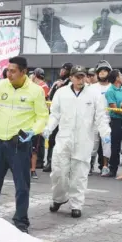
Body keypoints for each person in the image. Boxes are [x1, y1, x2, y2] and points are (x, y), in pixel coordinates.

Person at [0, 56, 48, 233]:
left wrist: (34, 130)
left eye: (13, 71)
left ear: (24, 72)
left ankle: (21, 221)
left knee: (22, 185)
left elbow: (42, 116)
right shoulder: (0, 86)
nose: (9, 74)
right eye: (8, 70)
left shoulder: (35, 91)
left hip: (19, 144)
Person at [42, 66, 111, 218]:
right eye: (77, 77)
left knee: (79, 174)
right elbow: (55, 114)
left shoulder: (94, 94)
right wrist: (48, 128)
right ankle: (59, 198)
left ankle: (76, 204)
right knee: (59, 171)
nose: (81, 80)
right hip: (64, 138)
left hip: (83, 140)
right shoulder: (61, 93)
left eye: (83, 76)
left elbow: (101, 116)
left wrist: (105, 132)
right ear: (71, 77)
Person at [43, 63, 73, 173]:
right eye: (62, 69)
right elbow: (50, 96)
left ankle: (64, 164)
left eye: (64, 69)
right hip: (55, 114)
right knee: (52, 139)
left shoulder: (71, 84)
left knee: (65, 140)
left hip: (66, 116)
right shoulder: (57, 83)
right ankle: (50, 161)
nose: (62, 71)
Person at [104, 69, 122, 178]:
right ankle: (113, 169)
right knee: (115, 146)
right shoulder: (110, 91)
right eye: (121, 75)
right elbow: (114, 108)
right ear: (116, 78)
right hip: (116, 121)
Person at [90, 60, 112, 175]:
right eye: (100, 71)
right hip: (93, 120)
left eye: (105, 71)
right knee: (92, 144)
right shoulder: (92, 88)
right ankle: (89, 165)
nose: (102, 73)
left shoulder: (112, 87)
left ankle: (105, 166)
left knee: (106, 144)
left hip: (107, 120)